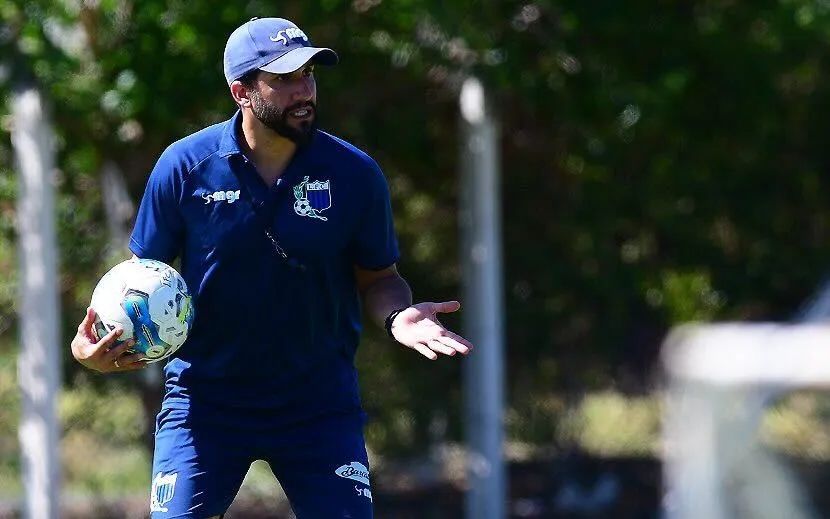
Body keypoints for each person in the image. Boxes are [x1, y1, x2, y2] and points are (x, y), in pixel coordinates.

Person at [69, 16, 473, 519]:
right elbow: (142, 283)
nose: (303, 91)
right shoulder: (184, 167)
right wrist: (96, 347)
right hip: (205, 402)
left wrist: (400, 316)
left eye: (308, 74)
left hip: (317, 403)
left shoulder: (355, 175)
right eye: (283, 79)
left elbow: (380, 279)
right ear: (241, 91)